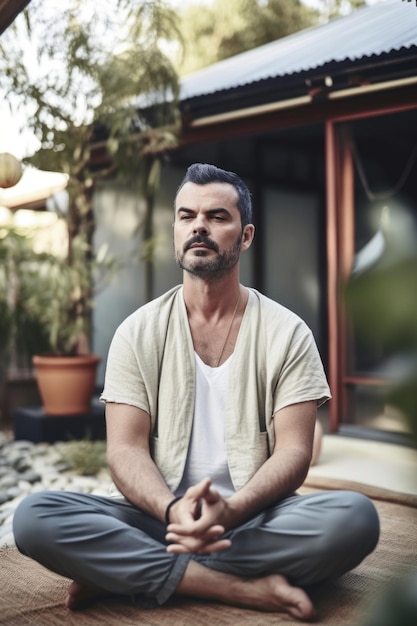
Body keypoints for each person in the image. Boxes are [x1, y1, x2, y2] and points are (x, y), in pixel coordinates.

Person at [13, 163, 379, 622]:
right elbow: (124, 451)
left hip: (253, 516)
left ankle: (126, 571)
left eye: (217, 217)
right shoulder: (137, 332)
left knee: (355, 518)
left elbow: (294, 453)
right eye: (187, 216)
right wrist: (171, 510)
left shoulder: (288, 333)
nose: (199, 226)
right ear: (175, 232)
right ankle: (238, 588)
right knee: (35, 516)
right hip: (155, 518)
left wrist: (229, 510)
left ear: (245, 236)